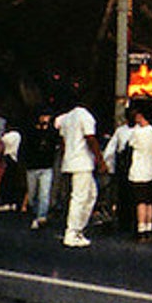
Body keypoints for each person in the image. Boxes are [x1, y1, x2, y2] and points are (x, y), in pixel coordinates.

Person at [55, 94, 107, 247]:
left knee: (90, 194)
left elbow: (63, 141)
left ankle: (78, 229)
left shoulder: (67, 118)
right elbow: (91, 138)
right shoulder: (86, 116)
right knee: (80, 197)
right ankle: (72, 232)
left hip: (72, 160)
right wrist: (100, 160)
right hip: (82, 161)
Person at [22, 109, 59, 230]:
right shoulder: (31, 132)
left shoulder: (51, 132)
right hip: (33, 166)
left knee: (44, 193)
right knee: (33, 194)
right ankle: (37, 212)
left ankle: (41, 215)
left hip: (45, 166)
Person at [128, 102, 152, 241]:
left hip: (139, 170)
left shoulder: (137, 132)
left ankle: (141, 229)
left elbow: (130, 143)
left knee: (140, 201)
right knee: (149, 202)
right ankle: (149, 227)